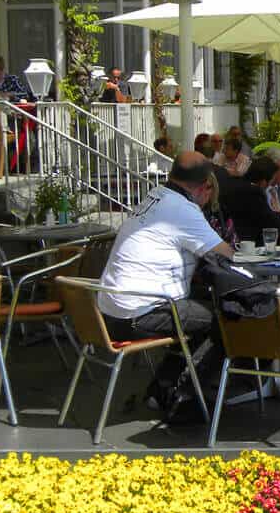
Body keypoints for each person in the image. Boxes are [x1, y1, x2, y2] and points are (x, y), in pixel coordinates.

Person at [99, 152, 233, 412]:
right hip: (138, 314)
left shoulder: (155, 196)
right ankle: (181, 395)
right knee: (227, 316)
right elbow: (225, 254)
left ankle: (165, 385)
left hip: (109, 313)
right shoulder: (182, 210)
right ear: (206, 185)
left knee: (197, 311)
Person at [218, 156, 280, 246]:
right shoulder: (253, 193)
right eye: (271, 181)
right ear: (263, 182)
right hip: (249, 244)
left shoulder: (234, 185)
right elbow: (274, 224)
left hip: (231, 237)